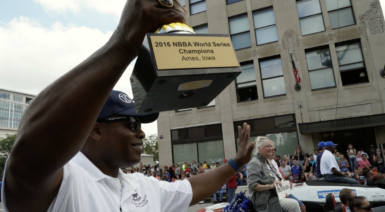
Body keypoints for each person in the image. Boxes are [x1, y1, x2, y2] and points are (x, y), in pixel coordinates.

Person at [1, 1, 259, 211]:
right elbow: (28, 158)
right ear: (96, 130)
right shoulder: (65, 182)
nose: (142, 133)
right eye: (131, 123)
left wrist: (236, 162)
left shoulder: (140, 185)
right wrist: (123, 43)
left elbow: (192, 188)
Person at [247, 136, 300, 212]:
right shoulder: (254, 163)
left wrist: (284, 189)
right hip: (265, 201)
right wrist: (271, 186)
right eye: (267, 146)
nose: (271, 148)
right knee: (294, 204)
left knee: (297, 204)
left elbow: (277, 180)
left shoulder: (268, 162)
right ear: (259, 149)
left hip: (276, 196)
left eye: (271, 146)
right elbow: (252, 186)